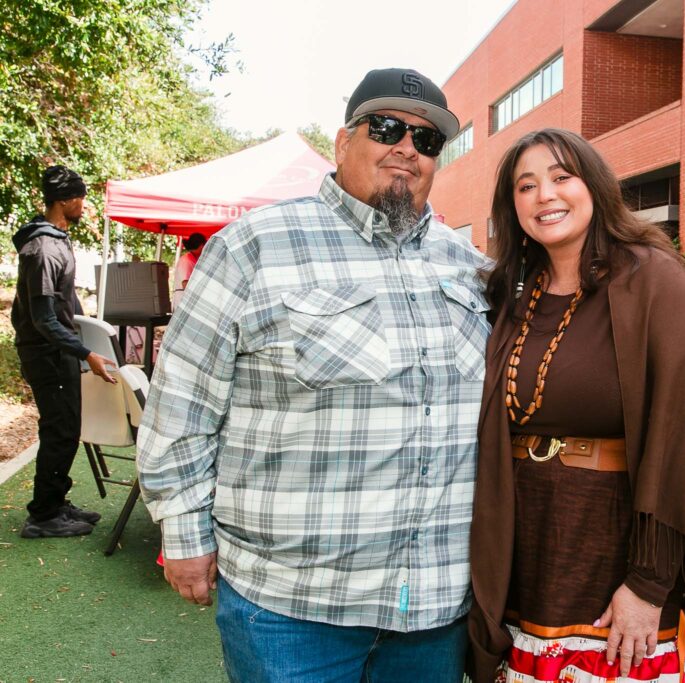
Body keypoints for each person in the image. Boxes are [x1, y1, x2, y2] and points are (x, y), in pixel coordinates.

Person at [136, 68, 489, 682]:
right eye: (386, 128)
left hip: (435, 609)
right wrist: (185, 532)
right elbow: (183, 402)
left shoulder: (468, 266)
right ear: (342, 142)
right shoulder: (255, 245)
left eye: (427, 140)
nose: (407, 147)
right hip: (292, 608)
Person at [468, 128, 685, 683]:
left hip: (617, 549)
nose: (545, 195)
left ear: (593, 185)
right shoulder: (517, 297)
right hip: (529, 548)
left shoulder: (653, 278)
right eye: (526, 185)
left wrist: (648, 583)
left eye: (561, 177)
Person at [12, 165, 117, 539]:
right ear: (65, 200)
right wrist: (84, 353)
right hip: (47, 354)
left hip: (59, 352)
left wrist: (88, 335)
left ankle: (55, 502)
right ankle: (43, 516)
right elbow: (42, 318)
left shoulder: (56, 240)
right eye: (80, 197)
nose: (84, 204)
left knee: (67, 428)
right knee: (59, 430)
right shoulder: (42, 249)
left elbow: (63, 304)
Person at [171, 232, 206, 309]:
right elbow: (185, 284)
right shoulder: (187, 260)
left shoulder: (193, 259)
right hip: (183, 300)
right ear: (201, 246)